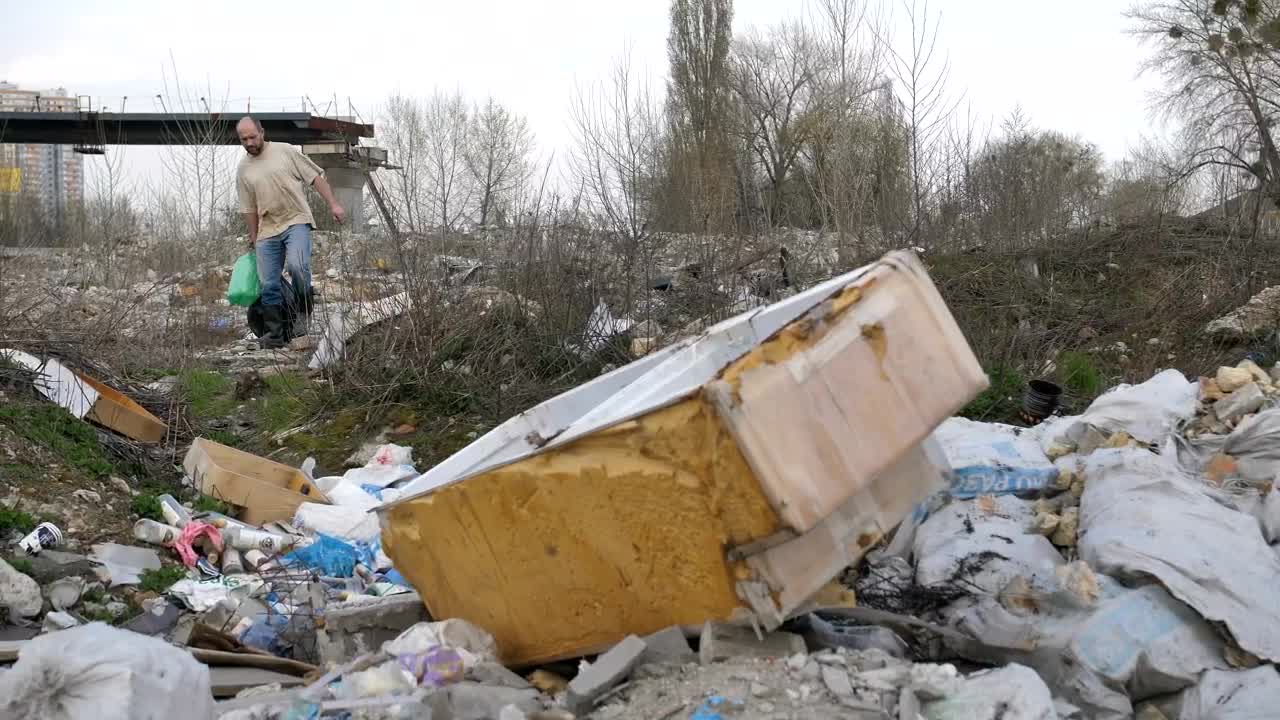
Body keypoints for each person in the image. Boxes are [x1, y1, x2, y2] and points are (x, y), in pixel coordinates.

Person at [235, 115, 346, 349]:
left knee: (297, 266)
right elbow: (248, 208)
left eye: (252, 137)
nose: (249, 142)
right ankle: (275, 334)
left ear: (262, 132)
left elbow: (315, 177)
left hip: (295, 220)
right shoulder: (244, 169)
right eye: (243, 139)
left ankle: (302, 317)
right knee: (268, 283)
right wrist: (254, 237)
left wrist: (333, 204)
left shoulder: (285, 151)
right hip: (267, 228)